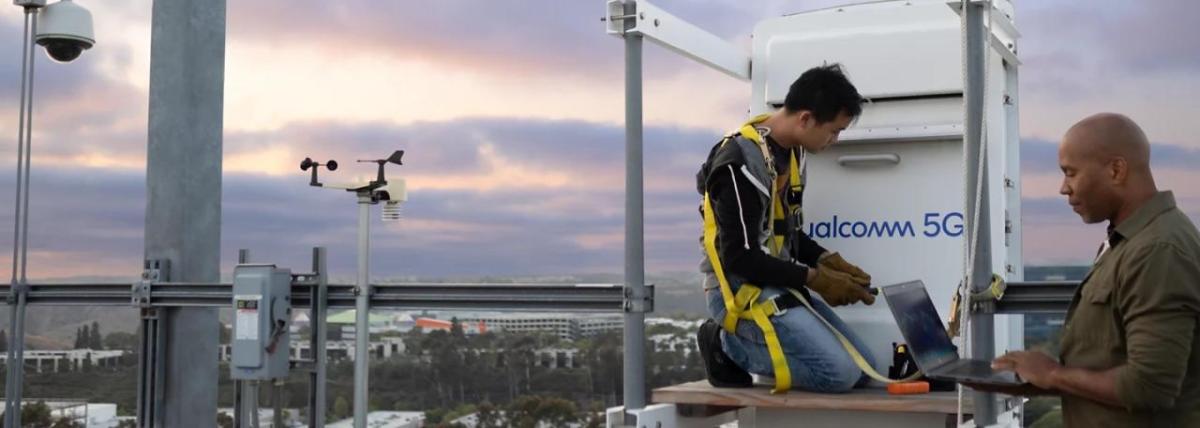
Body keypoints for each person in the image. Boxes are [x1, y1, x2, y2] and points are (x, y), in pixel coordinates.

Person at [974, 113, 1200, 426]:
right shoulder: (1131, 240)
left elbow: (1150, 387)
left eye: (1071, 173)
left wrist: (1054, 375)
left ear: (1116, 170)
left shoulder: (1157, 250)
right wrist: (1040, 377)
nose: (1063, 188)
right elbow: (1113, 356)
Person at [695, 64, 877, 394]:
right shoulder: (737, 165)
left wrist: (827, 260)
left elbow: (786, 233)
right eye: (833, 131)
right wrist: (815, 279)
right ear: (805, 118)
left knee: (866, 367)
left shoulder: (791, 154)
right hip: (740, 293)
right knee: (840, 374)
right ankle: (723, 342)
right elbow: (740, 258)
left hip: (776, 283)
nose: (834, 141)